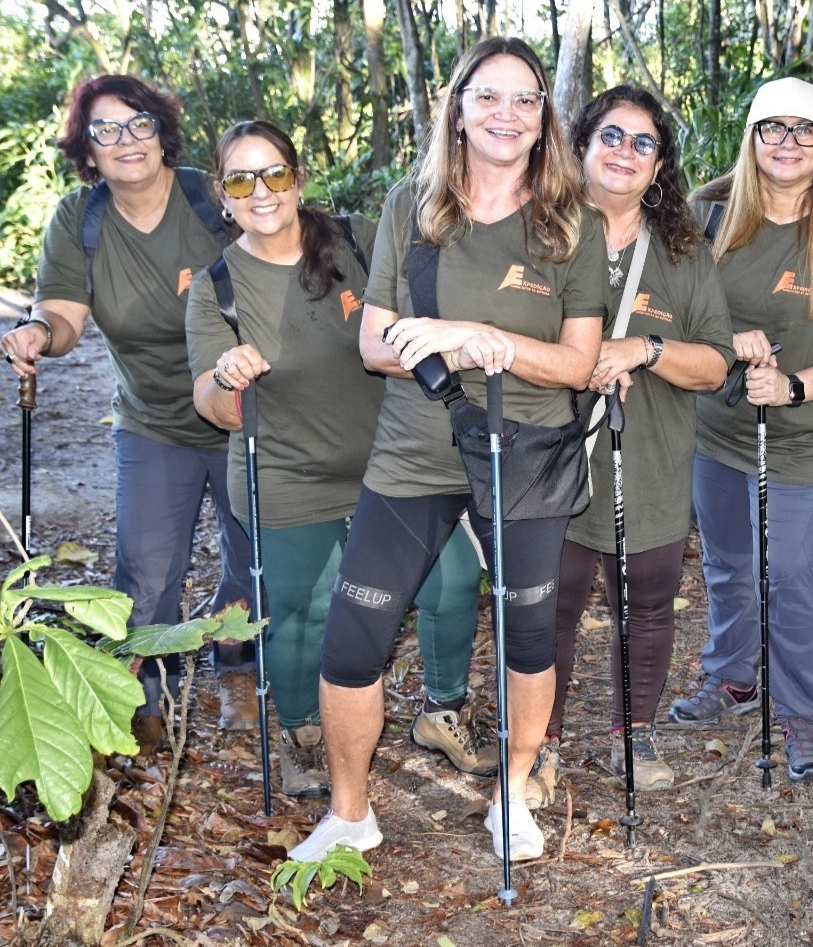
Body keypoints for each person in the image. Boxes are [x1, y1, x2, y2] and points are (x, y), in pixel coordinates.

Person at [287, 36, 607, 863]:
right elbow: (373, 342)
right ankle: (351, 811)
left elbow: (576, 364)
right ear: (457, 110)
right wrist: (449, 346)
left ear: (544, 121)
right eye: (487, 96)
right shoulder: (413, 205)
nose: (507, 114)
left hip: (526, 454)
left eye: (525, 100)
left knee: (529, 638)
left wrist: (476, 333)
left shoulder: (574, 224)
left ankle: (513, 793)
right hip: (414, 453)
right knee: (353, 637)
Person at [184, 120, 493, 798]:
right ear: (221, 193)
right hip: (285, 476)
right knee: (305, 609)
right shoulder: (217, 286)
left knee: (451, 579)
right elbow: (209, 403)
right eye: (241, 179)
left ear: (298, 178)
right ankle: (303, 734)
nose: (260, 191)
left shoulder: (352, 242)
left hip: (389, 462)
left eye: (274, 174)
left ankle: (444, 710)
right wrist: (227, 377)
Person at [0, 75, 254, 751]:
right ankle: (142, 701)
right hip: (153, 422)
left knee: (255, 556)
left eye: (137, 123)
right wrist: (36, 334)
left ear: (161, 130)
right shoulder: (80, 220)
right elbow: (63, 315)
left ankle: (238, 668)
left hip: (244, 412)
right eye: (104, 130)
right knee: (143, 574)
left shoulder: (211, 199)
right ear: (86, 146)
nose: (124, 141)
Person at [670, 77, 813, 781]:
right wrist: (725, 336)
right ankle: (732, 676)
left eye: (804, 131)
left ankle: (800, 709)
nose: (788, 143)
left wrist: (796, 385)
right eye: (774, 128)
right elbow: (662, 305)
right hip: (716, 425)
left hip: (799, 435)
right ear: (752, 137)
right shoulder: (703, 214)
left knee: (788, 569)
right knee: (727, 559)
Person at [530, 86, 735, 808]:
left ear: (659, 166)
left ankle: (633, 732)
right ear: (580, 147)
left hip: (647, 457)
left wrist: (644, 347)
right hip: (552, 454)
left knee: (646, 603)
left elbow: (713, 363)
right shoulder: (538, 230)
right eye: (610, 136)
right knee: (546, 604)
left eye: (642, 143)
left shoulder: (682, 254)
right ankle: (538, 743)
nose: (624, 153)